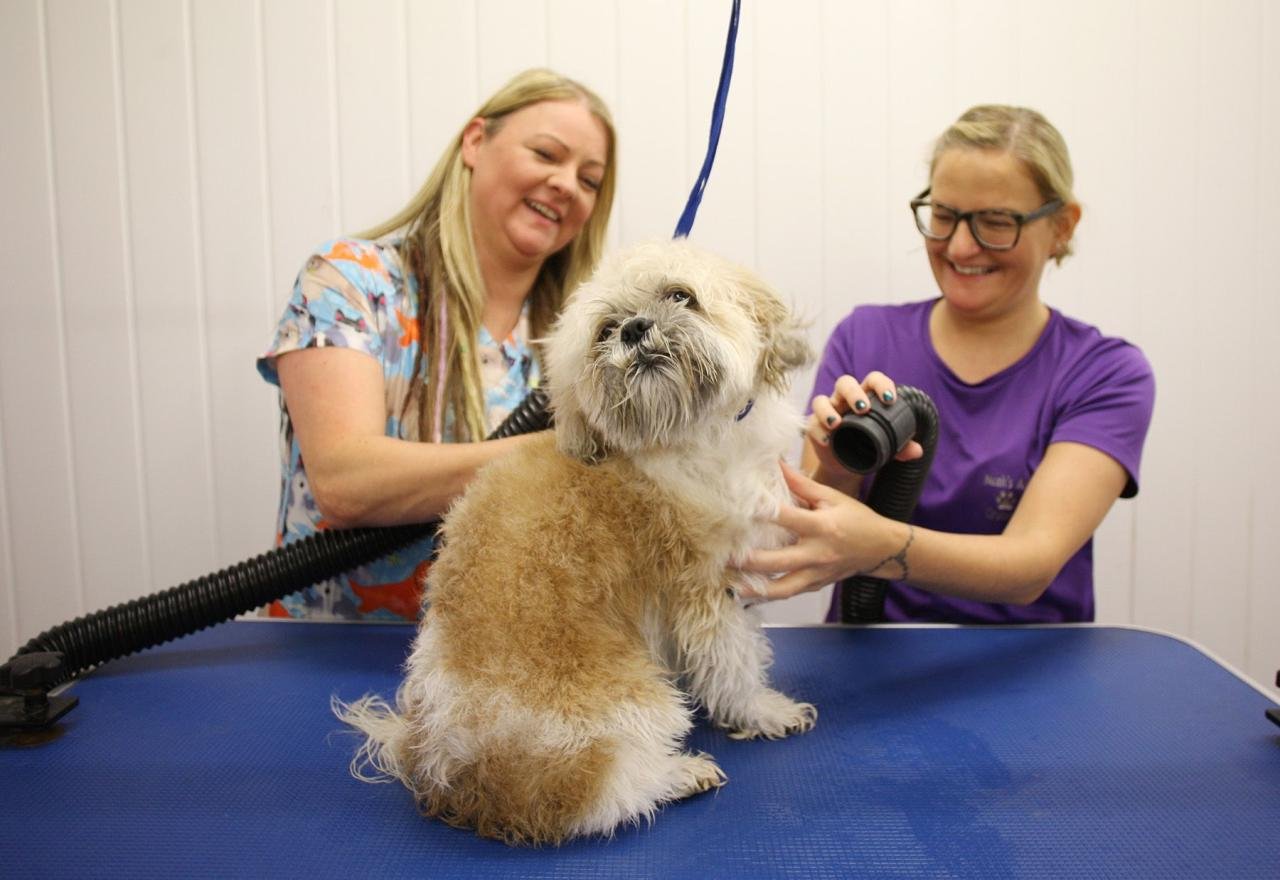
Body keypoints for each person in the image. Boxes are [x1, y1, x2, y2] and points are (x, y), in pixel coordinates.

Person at [743, 105, 1155, 624]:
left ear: (1062, 226)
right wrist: (835, 468)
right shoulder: (865, 337)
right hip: (869, 657)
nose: (960, 246)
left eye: (996, 223)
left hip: (1028, 671)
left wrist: (880, 547)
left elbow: (1030, 566)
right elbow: (816, 524)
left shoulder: (1104, 373)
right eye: (943, 215)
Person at [256, 68, 617, 620]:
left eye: (589, 180)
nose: (567, 184)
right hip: (331, 654)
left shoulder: (583, 344)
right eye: (546, 154)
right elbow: (346, 482)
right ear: (475, 142)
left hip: (501, 667)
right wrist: (563, 451)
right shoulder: (350, 283)